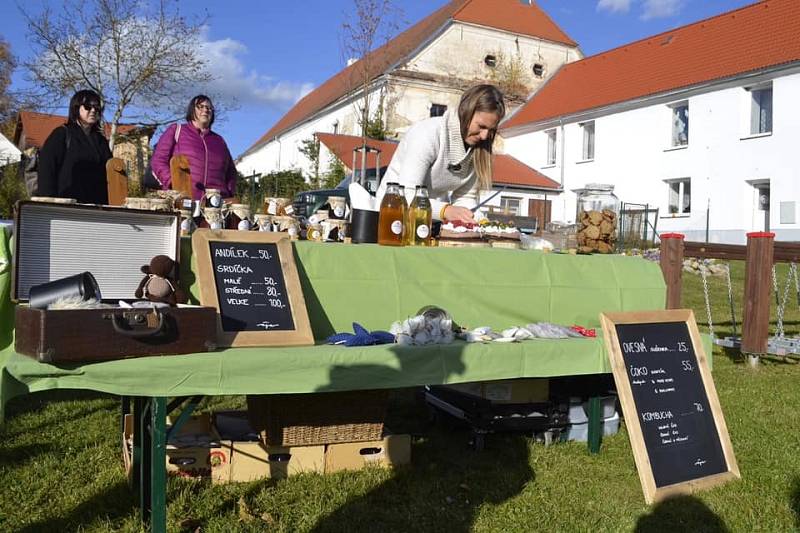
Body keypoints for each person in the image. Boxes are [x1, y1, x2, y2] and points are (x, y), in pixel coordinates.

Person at [375, 84, 506, 223]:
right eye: (481, 126)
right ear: (465, 112)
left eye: (491, 130)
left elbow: (465, 198)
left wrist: (480, 221)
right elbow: (406, 195)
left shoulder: (479, 150)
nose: (485, 136)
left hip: (427, 220)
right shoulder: (427, 134)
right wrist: (445, 211)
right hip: (390, 216)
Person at [150, 95, 237, 200]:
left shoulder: (219, 141)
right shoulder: (176, 131)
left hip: (214, 208)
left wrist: (228, 193)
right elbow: (158, 161)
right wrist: (173, 183)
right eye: (200, 106)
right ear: (192, 110)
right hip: (181, 201)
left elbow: (231, 172)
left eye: (209, 108)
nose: (205, 110)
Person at [37, 89, 113, 204]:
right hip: (66, 204)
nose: (93, 111)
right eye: (88, 106)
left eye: (97, 108)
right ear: (76, 108)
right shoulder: (62, 134)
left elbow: (109, 173)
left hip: (97, 207)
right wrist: (48, 202)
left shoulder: (101, 141)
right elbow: (47, 169)